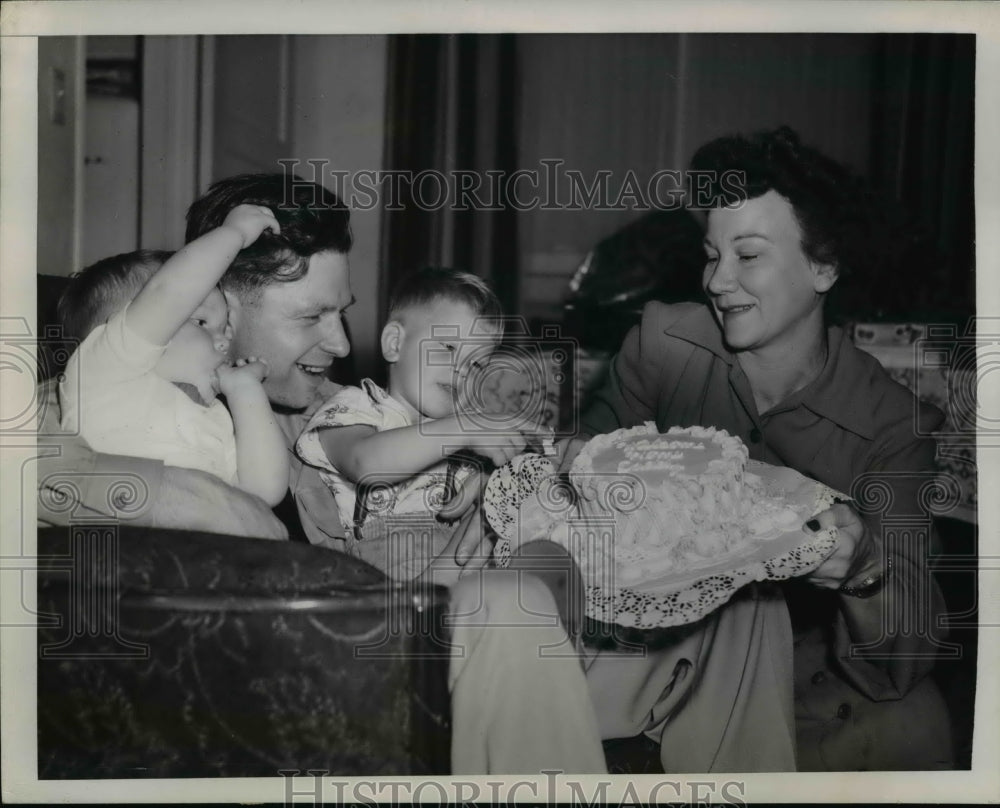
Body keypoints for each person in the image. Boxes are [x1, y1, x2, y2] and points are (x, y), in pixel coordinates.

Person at [37, 172, 607, 775]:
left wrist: (499, 474)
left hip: (434, 634)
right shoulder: (96, 398)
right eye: (311, 317)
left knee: (686, 614)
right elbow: (38, 470)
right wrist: (212, 504)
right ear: (216, 301)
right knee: (508, 601)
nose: (338, 341)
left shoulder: (331, 404)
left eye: (342, 313)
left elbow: (556, 448)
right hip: (291, 679)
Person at [560, 126, 951, 770]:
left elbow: (908, 649)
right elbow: (583, 483)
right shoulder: (662, 346)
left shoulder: (891, 426)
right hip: (642, 646)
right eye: (711, 255)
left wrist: (862, 570)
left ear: (823, 266)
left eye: (748, 256)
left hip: (800, 670)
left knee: (920, 725)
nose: (718, 281)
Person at [295, 266, 537, 580]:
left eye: (477, 363)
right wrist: (464, 429)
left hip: (470, 569)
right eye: (449, 348)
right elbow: (365, 462)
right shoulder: (357, 407)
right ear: (395, 343)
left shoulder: (467, 439)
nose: (462, 371)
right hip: (386, 573)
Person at [57, 205, 287, 506]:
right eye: (202, 322)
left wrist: (246, 392)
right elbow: (167, 295)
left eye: (224, 329)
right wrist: (234, 234)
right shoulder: (104, 373)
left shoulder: (214, 415)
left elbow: (263, 493)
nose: (224, 342)